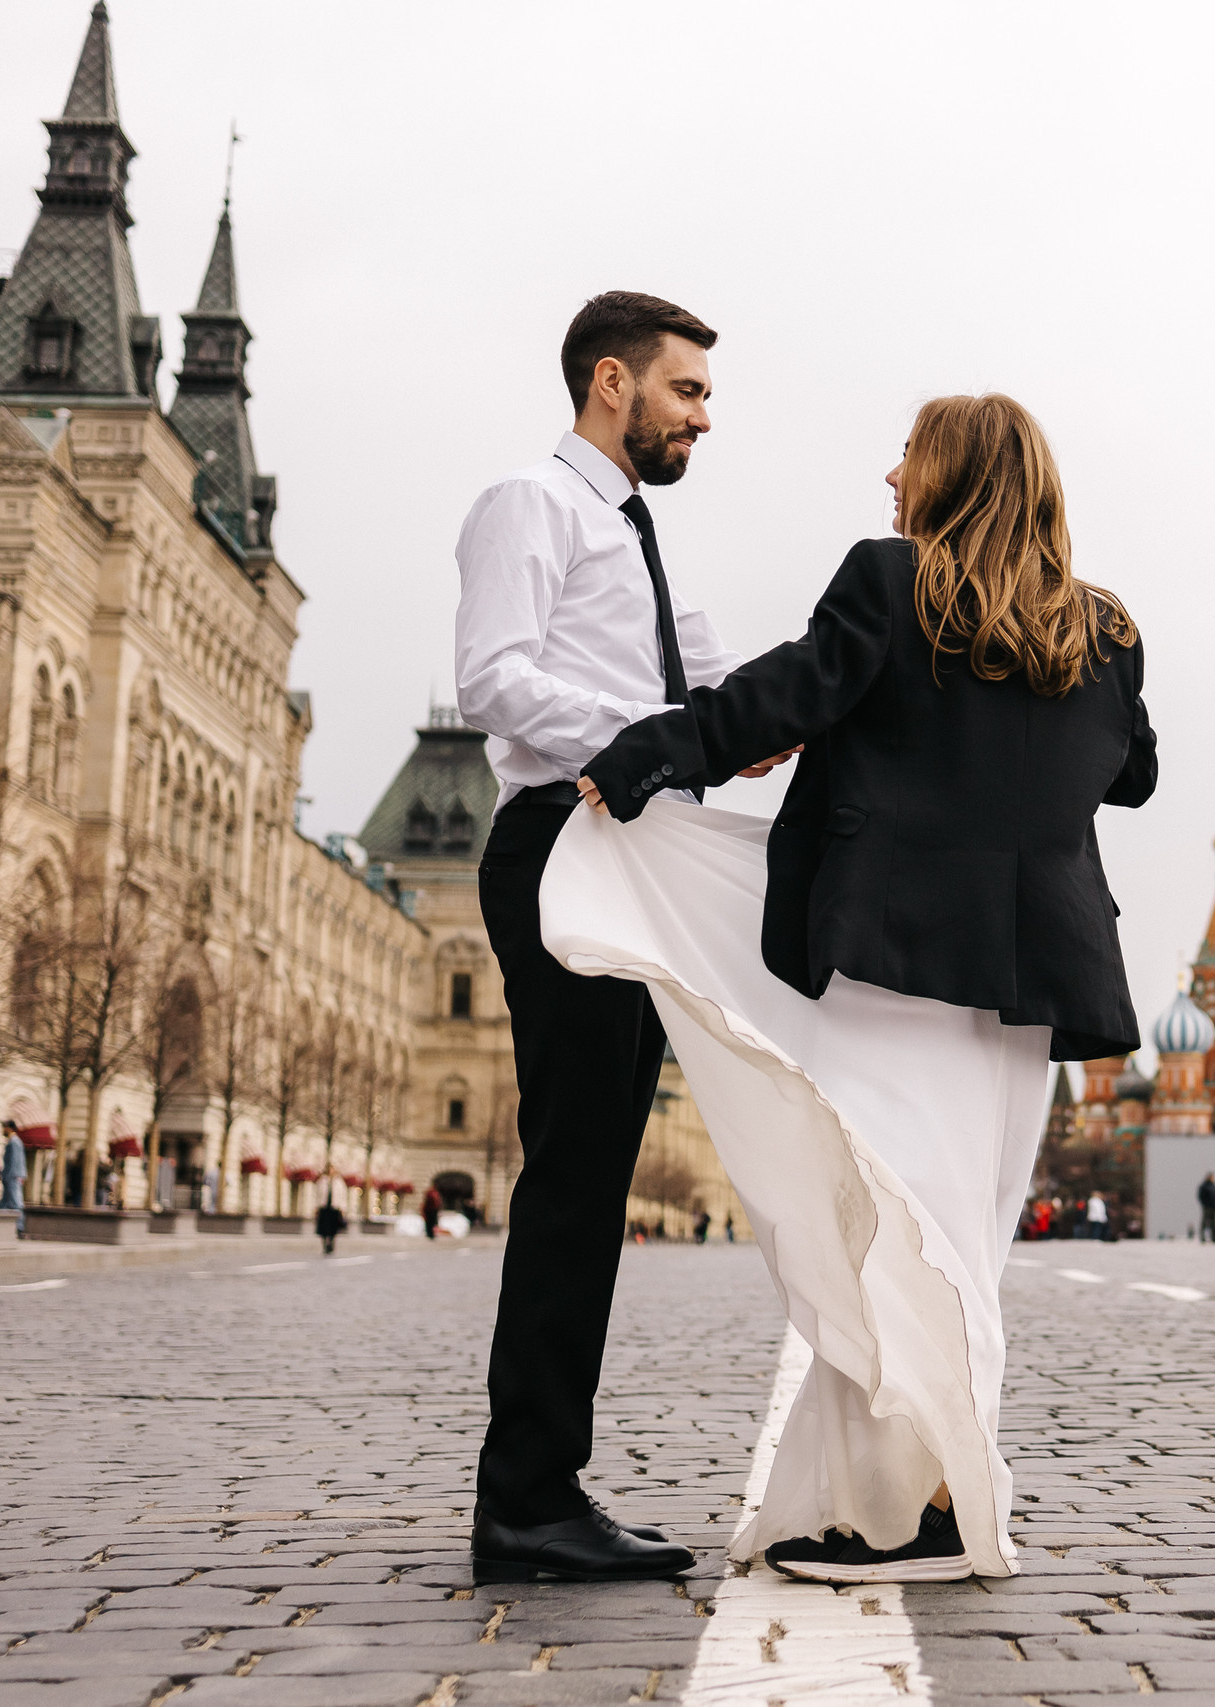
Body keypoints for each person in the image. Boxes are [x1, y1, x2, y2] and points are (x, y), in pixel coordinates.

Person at [556, 388, 1153, 1586]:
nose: (891, 477)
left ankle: (921, 1515)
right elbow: (1131, 774)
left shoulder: (892, 583)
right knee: (956, 1239)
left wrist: (640, 759)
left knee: (895, 1227)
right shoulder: (1103, 629)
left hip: (896, 959)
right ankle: (912, 1502)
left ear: (951, 477)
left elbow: (780, 697)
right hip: (1034, 977)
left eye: (909, 458)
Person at [451, 292, 738, 1585]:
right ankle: (523, 1499)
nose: (702, 415)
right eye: (687, 390)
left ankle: (545, 1482)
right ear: (611, 382)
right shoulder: (534, 503)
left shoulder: (641, 538)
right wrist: (651, 737)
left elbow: (711, 698)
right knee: (572, 1171)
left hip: (632, 857)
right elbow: (496, 677)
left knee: (599, 1173)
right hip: (560, 841)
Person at [0, 1121, 28, 1236]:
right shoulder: (13, 1141)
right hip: (11, 1176)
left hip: (13, 1177)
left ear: (9, 1128)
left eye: (4, 1127)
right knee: (4, 1204)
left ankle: (20, 1228)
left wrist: (8, 1175)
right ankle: (2, 1227)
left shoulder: (14, 1142)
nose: (2, 1130)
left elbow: (14, 1161)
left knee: (15, 1203)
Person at [1196, 1171, 1215, 1242]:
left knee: (1213, 1223)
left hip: (1214, 1207)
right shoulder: (1204, 1186)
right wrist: (1205, 1204)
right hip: (1207, 1207)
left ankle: (1214, 1237)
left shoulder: (1214, 1186)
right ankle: (1202, 1236)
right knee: (1205, 1222)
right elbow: (1201, 1197)